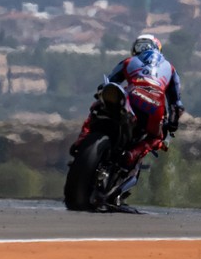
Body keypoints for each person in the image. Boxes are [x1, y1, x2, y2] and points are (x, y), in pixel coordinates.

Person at [71, 33, 184, 165]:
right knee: (156, 138)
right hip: (155, 107)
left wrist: (102, 92)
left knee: (99, 105)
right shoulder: (170, 68)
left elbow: (109, 83)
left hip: (131, 97)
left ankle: (83, 137)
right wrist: (172, 124)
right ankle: (132, 154)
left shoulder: (129, 61)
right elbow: (177, 105)